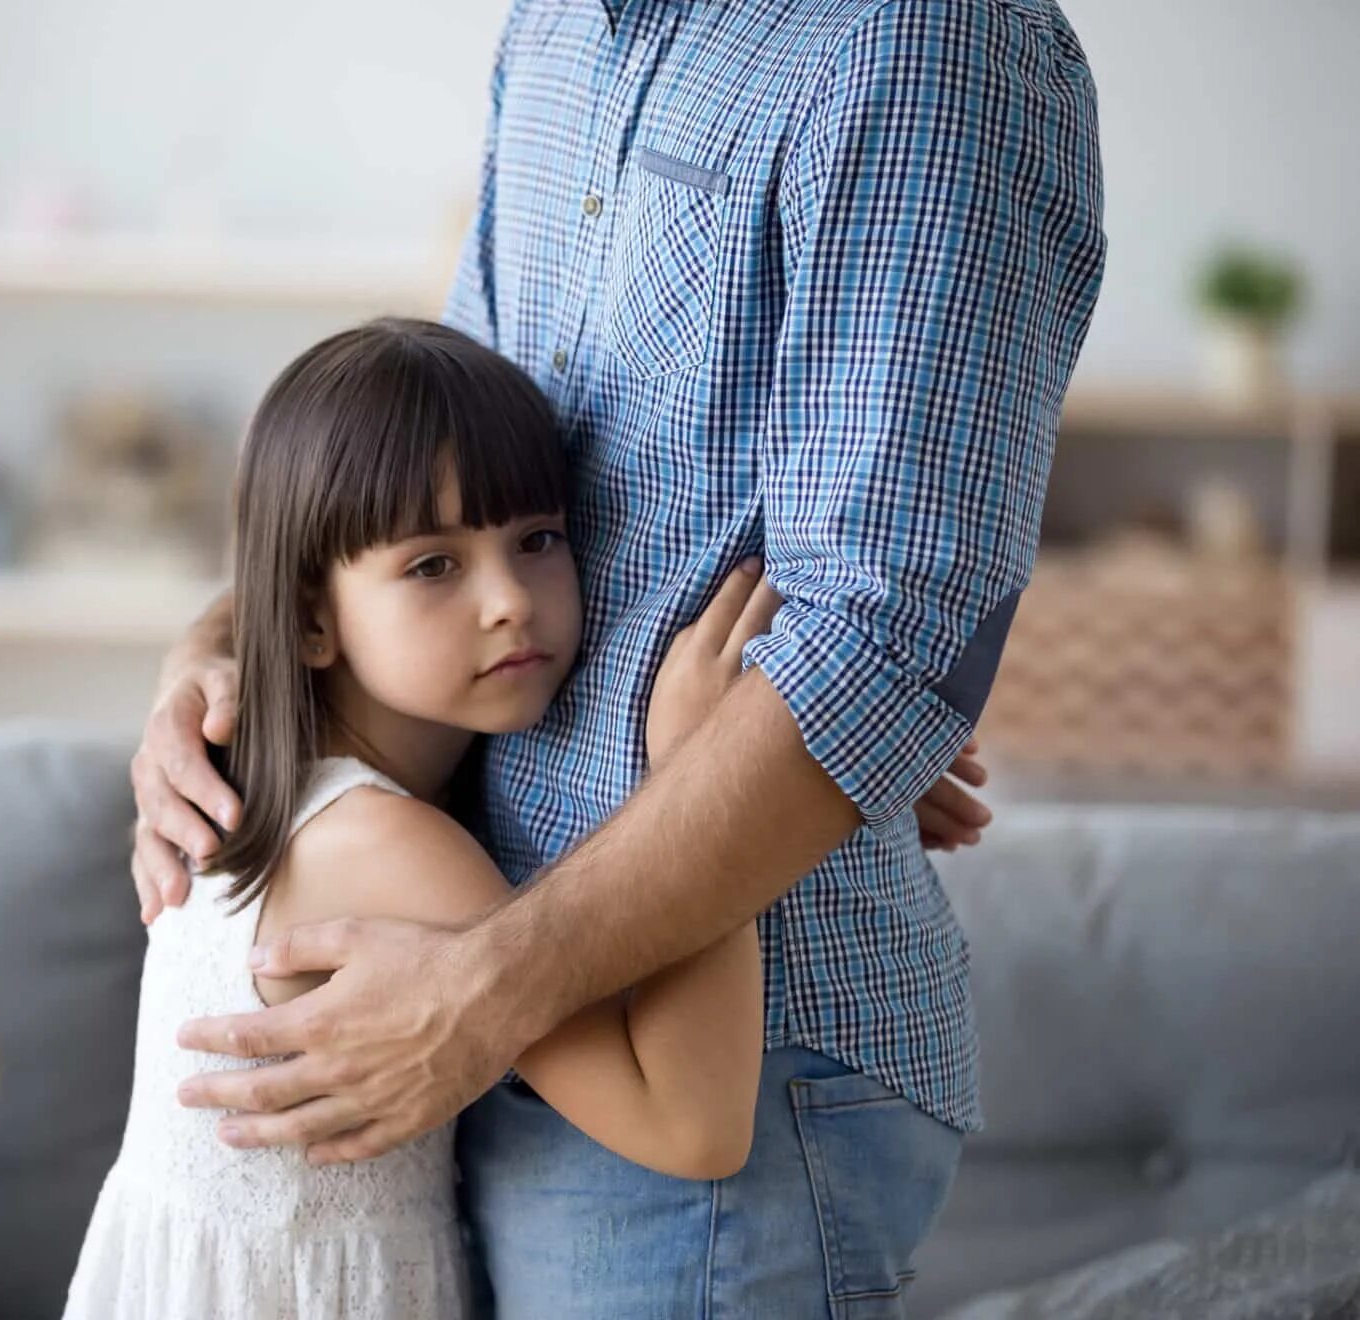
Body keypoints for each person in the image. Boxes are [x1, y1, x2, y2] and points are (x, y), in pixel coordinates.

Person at [133, 1, 1107, 1313]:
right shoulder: (553, 37)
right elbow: (442, 466)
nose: (505, 602)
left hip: (710, 1054)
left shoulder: (916, 37)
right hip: (502, 1016)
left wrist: (491, 983)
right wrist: (212, 655)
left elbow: (884, 636)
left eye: (528, 557)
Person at [69, 318, 790, 1319]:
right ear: (312, 619)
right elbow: (692, 1128)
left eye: (536, 541)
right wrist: (708, 771)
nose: (509, 602)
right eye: (432, 567)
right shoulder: (385, 845)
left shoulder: (294, 791)